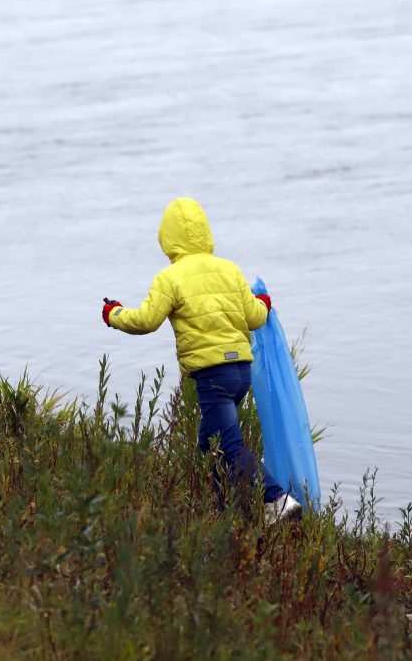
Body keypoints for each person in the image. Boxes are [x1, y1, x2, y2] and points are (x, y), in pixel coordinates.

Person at [102, 196, 302, 524]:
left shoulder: (170, 278)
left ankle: (277, 500)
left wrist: (114, 314)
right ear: (205, 232)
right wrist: (263, 303)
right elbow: (253, 316)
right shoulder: (229, 269)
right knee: (211, 446)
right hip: (241, 372)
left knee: (229, 445)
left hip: (212, 376)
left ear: (167, 237)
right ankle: (225, 515)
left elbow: (146, 321)